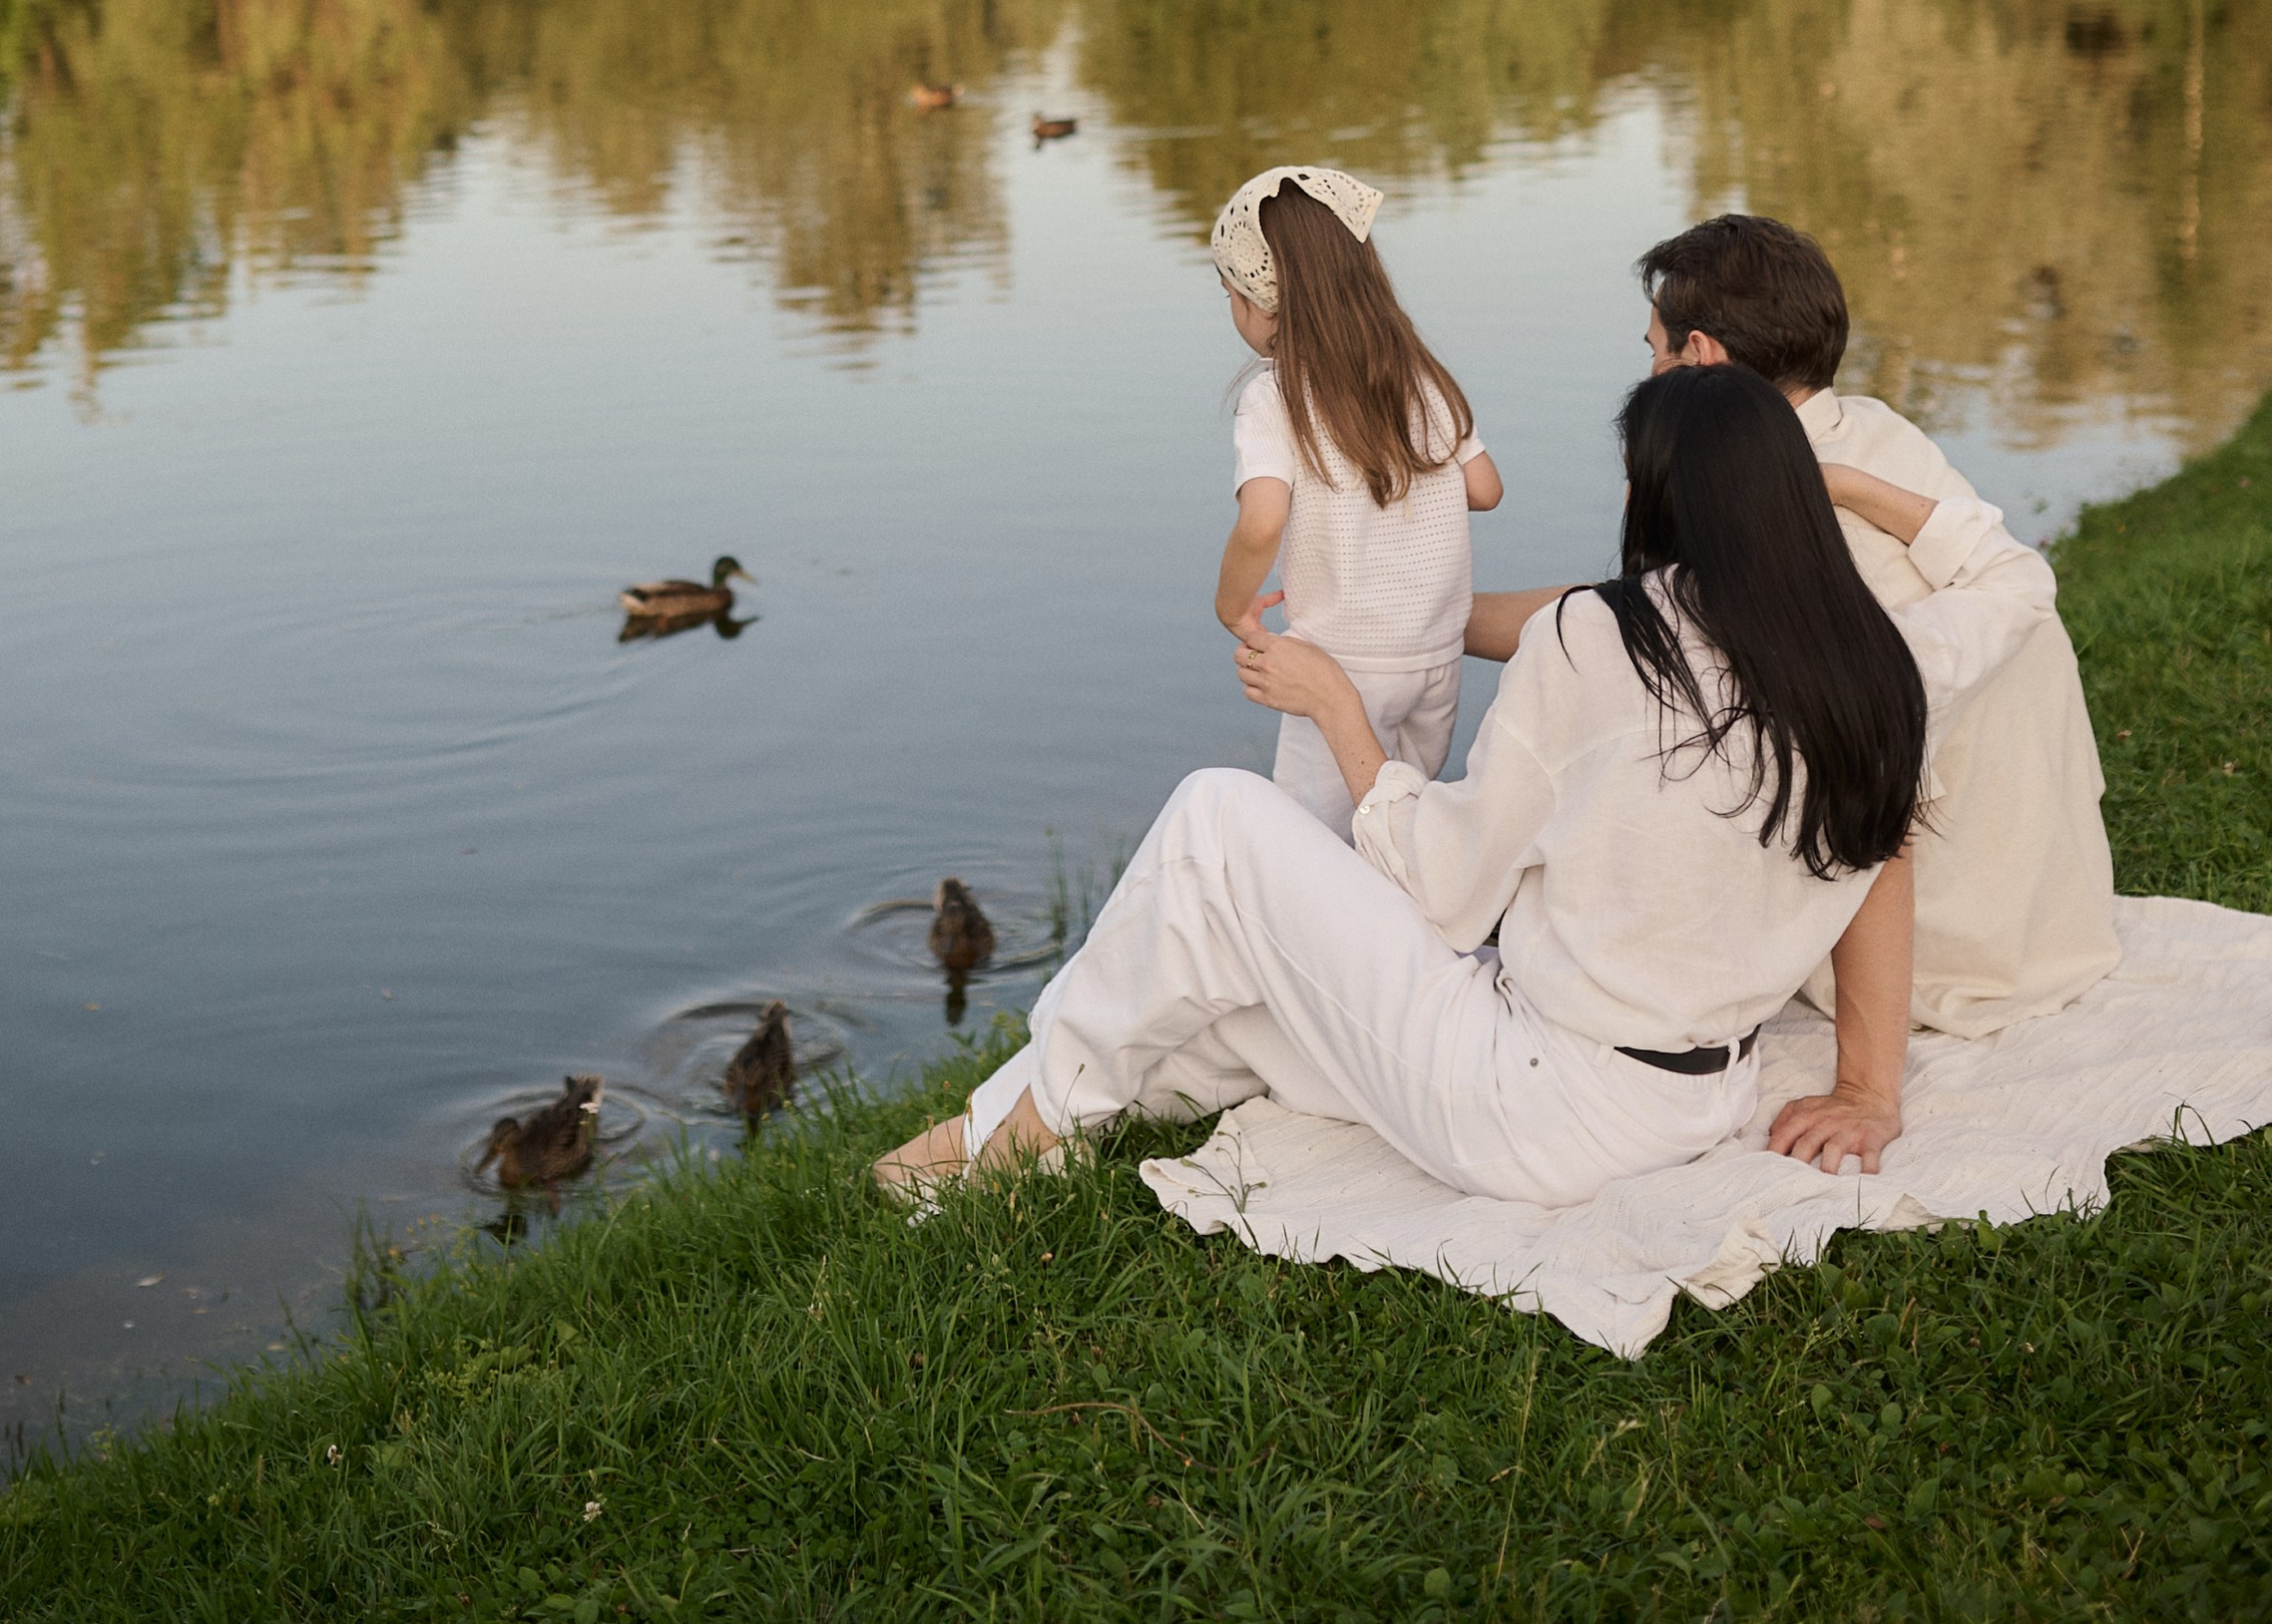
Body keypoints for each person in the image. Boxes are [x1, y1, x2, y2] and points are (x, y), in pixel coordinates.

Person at [877, 365, 2058, 1210]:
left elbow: (1441, 890)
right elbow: (2014, 574)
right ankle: (1027, 1113)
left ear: (1658, 496)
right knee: (1228, 990)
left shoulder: (1601, 641)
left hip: (1536, 1105)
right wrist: (1849, 485)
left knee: (1213, 822)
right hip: (1693, 1096)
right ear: (1790, 494)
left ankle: (1015, 1135)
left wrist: (1338, 707)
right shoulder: (1884, 658)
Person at [1468, 215, 2118, 1034]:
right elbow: (1641, 615)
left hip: (1946, 949)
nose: (1650, 369)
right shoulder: (1874, 433)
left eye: (1655, 350)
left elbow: (1630, 635)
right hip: (2055, 914)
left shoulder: (1798, 539)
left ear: (1702, 356)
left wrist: (1866, 1089)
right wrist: (1445, 624)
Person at [1207, 166, 1504, 836]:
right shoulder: (1418, 374)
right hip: (1436, 659)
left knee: (1308, 849)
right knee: (1400, 833)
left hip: (1340, 666)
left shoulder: (1273, 397)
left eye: (1228, 292)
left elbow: (1263, 519)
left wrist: (1230, 607)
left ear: (1262, 303)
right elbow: (1485, 489)